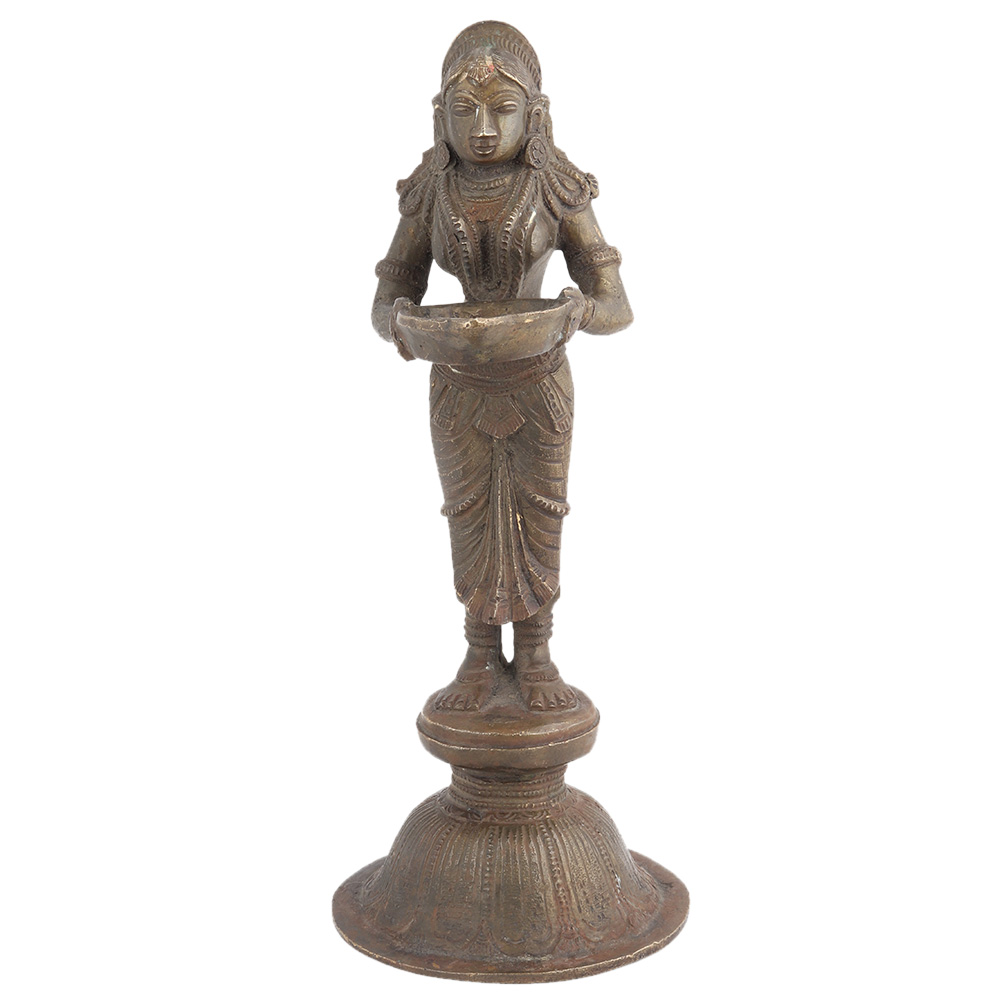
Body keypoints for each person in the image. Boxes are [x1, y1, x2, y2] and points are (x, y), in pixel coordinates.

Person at [371, 22, 633, 712]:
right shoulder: (432, 190)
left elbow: (617, 304)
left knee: (540, 511)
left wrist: (578, 311)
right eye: (465, 112)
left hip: (539, 380)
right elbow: (389, 291)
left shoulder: (555, 187)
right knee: (469, 513)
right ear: (441, 118)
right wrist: (400, 323)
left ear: (535, 115)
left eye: (503, 110)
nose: (483, 130)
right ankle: (480, 653)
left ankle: (538, 652)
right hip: (456, 382)